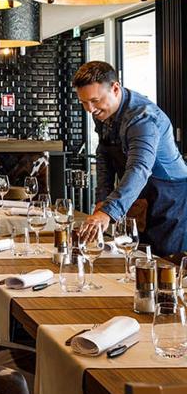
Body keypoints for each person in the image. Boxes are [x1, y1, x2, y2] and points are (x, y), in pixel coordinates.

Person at [74, 61, 187, 256]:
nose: (90, 109)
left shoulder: (143, 118)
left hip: (170, 197)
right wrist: (102, 199)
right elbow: (104, 154)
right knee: (138, 257)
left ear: (115, 88)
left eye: (94, 100)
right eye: (84, 102)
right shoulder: (102, 111)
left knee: (167, 265)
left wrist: (109, 212)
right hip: (139, 192)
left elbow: (139, 168)